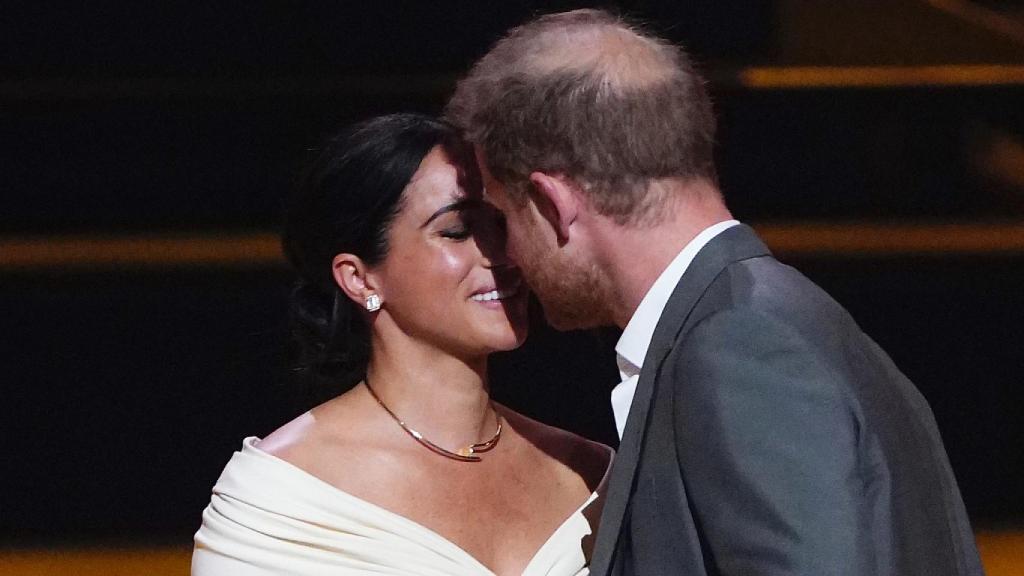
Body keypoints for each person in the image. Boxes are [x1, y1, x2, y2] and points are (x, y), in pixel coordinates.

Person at [446, 9, 984, 576]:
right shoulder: (783, 321)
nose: (502, 254)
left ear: (553, 204)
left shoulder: (740, 349)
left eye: (502, 218)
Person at [192, 113, 611, 576]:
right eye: (456, 231)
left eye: (500, 223)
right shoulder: (277, 502)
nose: (503, 255)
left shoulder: (587, 474)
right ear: (359, 277)